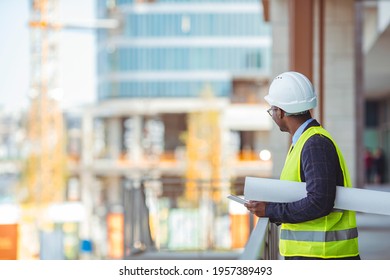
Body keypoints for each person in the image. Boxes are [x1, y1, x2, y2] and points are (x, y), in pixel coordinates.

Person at [245, 71, 360, 260]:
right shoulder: (306, 141)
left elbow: (319, 201)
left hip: (322, 259)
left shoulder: (314, 144)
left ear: (280, 112)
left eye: (272, 109)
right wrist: (271, 205)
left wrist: (270, 211)